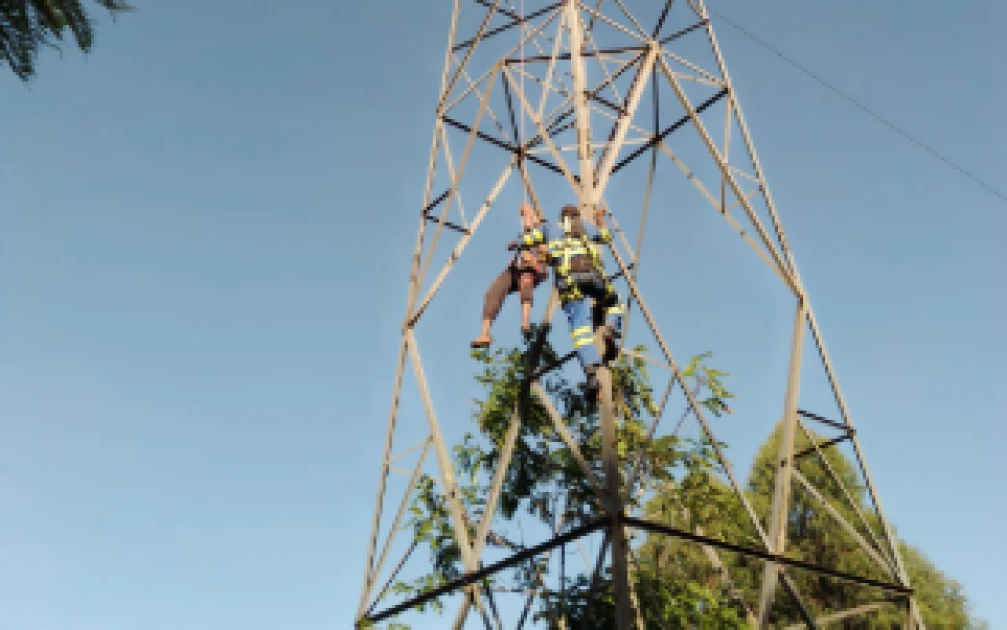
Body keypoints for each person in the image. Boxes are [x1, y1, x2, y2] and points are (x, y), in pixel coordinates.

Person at [516, 203, 625, 401]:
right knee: (614, 302)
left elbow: (527, 239)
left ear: (561, 216)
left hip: (570, 284)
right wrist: (600, 217)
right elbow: (607, 236)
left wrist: (520, 239)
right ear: (576, 215)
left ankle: (591, 375)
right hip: (594, 279)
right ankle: (611, 327)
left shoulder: (550, 227)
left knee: (580, 331)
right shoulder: (585, 227)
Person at [470, 203, 548, 349]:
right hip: (515, 269)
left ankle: (525, 320)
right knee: (493, 293)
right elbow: (525, 229)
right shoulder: (525, 234)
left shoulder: (543, 234)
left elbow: (537, 227)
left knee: (526, 281)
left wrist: (529, 212)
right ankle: (485, 333)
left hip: (532, 268)